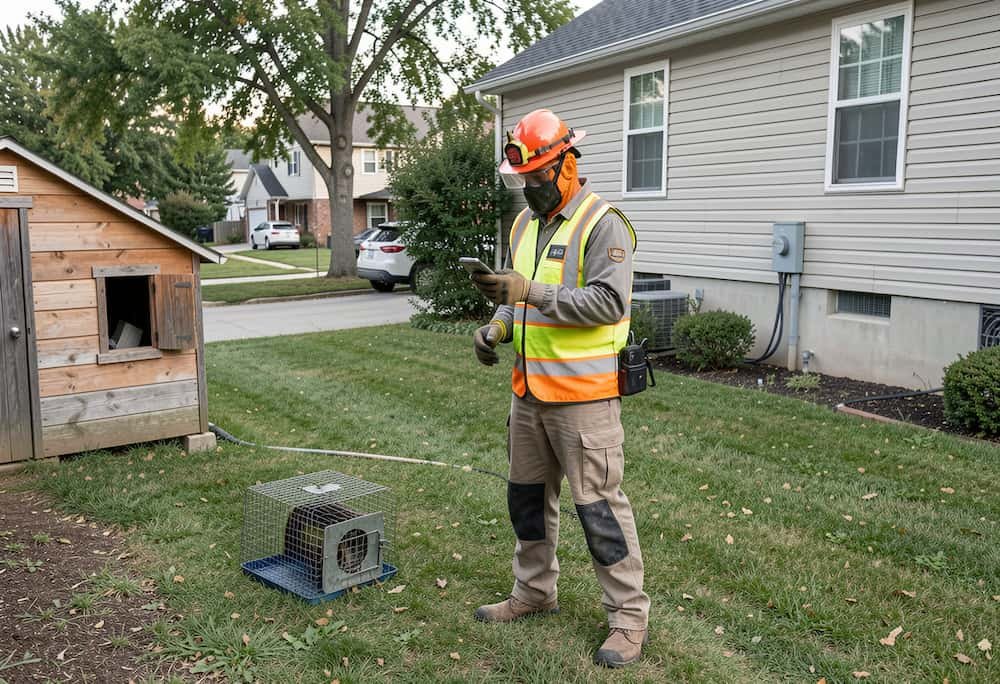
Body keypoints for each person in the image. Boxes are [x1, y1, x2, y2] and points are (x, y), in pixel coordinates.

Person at [470, 108, 650, 668]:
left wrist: (530, 294)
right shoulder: (525, 224)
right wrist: (496, 325)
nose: (530, 187)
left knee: (599, 510)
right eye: (523, 178)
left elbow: (608, 303)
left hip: (585, 401)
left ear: (568, 164)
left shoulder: (604, 223)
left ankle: (627, 618)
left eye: (539, 176)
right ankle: (534, 592)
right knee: (526, 502)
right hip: (528, 396)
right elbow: (515, 296)